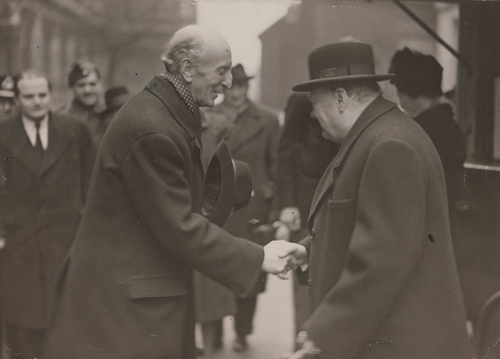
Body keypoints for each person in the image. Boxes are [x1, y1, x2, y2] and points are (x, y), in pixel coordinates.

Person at [43, 25, 302, 359]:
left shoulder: (163, 115)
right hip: (127, 308)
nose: (228, 81)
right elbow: (178, 224)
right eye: (221, 71)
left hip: (134, 299)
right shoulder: (155, 128)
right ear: (187, 69)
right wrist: (259, 257)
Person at [286, 42, 472, 358]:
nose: (314, 119)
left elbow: (384, 260)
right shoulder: (381, 134)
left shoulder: (389, 145)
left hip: (400, 344)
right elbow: (368, 226)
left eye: (315, 105)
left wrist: (321, 334)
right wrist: (308, 250)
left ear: (341, 98)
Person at [0, 69, 95, 359]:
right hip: (19, 242)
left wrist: (86, 230)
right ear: (17, 99)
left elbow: (90, 183)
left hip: (64, 240)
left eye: (42, 95)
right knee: (22, 321)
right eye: (29, 96)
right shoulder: (3, 133)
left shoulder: (74, 130)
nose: (37, 102)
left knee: (63, 319)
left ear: (50, 95)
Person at [208, 63, 280, 352]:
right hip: (217, 206)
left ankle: (242, 331)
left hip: (252, 208)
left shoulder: (267, 119)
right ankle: (212, 331)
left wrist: (272, 203)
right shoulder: (209, 116)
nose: (237, 92)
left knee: (250, 267)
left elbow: (276, 165)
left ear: (248, 87)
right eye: (232, 86)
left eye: (242, 86)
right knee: (214, 267)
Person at [274, 93, 339, 341]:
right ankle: (302, 342)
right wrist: (288, 205)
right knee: (305, 278)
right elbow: (285, 154)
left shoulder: (336, 103)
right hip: (302, 209)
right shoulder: (301, 102)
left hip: (330, 206)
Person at [388, 48, 466, 225]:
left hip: (423, 225)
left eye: (398, 88)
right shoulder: (450, 125)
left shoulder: (419, 132)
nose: (397, 94)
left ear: (408, 90)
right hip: (446, 222)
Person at [59, 61, 106, 147]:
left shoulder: (110, 114)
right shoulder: (62, 118)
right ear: (72, 88)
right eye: (81, 85)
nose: (87, 90)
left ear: (100, 84)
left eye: (92, 84)